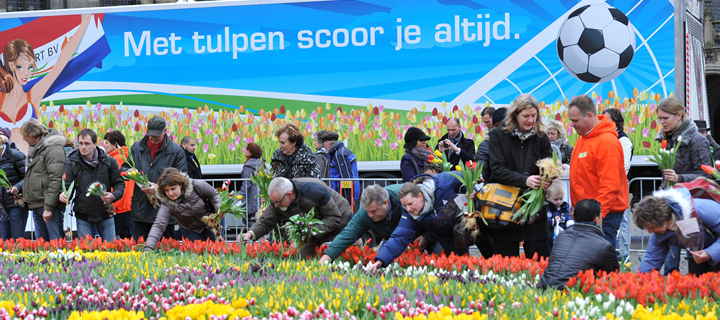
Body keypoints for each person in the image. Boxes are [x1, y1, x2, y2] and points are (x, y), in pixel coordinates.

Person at [0, 15, 91, 152]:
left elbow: (61, 62)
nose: (26, 73)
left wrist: (84, 23)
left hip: (31, 165)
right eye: (21, 67)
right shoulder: (1, 99)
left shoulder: (33, 96)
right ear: (12, 65)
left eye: (30, 67)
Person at [487, 94, 552, 258]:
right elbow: (497, 169)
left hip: (534, 208)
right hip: (505, 207)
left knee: (539, 264)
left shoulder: (541, 138)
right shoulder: (498, 136)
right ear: (515, 114)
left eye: (533, 116)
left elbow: (548, 167)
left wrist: (547, 179)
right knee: (506, 268)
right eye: (526, 116)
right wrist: (525, 180)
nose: (530, 120)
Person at [654, 97, 711, 274]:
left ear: (679, 115)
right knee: (669, 242)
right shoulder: (665, 139)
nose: (661, 122)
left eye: (665, 118)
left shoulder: (696, 140)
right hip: (669, 202)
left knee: (693, 248)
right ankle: (671, 279)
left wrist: (679, 178)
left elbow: (705, 175)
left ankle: (695, 284)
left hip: (690, 204)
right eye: (660, 118)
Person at [366, 172, 468, 271]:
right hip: (452, 237)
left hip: (477, 223)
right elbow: (399, 237)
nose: (408, 209)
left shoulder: (442, 182)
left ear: (420, 196)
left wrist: (470, 189)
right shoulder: (410, 214)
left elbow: (465, 177)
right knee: (462, 269)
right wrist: (380, 261)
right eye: (404, 206)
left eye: (410, 203)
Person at [567, 95, 629, 253]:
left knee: (599, 258)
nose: (572, 125)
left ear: (589, 116)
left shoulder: (606, 142)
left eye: (575, 121)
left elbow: (610, 185)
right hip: (590, 212)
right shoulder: (584, 137)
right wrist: (576, 206)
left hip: (602, 214)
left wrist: (596, 217)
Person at [241, 177, 352, 258]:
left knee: (352, 254)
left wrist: (309, 231)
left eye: (278, 202)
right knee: (302, 257)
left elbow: (333, 217)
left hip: (341, 220)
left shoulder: (314, 191)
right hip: (310, 229)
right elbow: (266, 221)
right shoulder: (279, 199)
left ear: (289, 194)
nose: (276, 206)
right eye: (273, 202)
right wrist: (251, 233)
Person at [126, 116, 188, 241]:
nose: (153, 138)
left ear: (165, 131)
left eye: (157, 135)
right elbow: (125, 168)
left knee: (165, 252)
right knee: (140, 250)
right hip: (141, 210)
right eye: (151, 135)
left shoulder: (176, 151)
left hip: (165, 211)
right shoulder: (137, 147)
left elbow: (183, 180)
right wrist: (129, 172)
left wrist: (158, 189)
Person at [634, 188, 720, 275]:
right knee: (698, 285)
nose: (650, 232)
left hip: (716, 250)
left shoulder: (699, 209)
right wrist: (642, 282)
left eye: (651, 228)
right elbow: (652, 257)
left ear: (663, 220)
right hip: (696, 255)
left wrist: (710, 253)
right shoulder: (661, 230)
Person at [59, 129, 124, 241]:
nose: (83, 147)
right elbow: (66, 185)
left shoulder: (109, 161)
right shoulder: (72, 162)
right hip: (83, 215)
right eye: (80, 143)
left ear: (95, 144)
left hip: (105, 213)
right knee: (86, 253)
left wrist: (113, 196)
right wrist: (62, 195)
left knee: (110, 251)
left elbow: (119, 184)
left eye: (87, 144)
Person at [540, 199, 619, 290]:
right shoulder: (604, 245)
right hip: (572, 292)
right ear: (596, 219)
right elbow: (613, 275)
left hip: (545, 290)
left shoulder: (562, 236)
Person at [319, 184, 404, 263]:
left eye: (374, 211)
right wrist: (324, 260)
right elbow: (347, 234)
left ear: (385, 203)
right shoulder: (364, 213)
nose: (370, 215)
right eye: (368, 211)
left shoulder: (405, 199)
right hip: (391, 238)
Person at [144, 167, 221, 251]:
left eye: (173, 189)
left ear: (180, 185)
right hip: (190, 229)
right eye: (167, 190)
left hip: (212, 223)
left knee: (215, 251)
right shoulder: (166, 202)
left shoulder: (197, 185)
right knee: (196, 255)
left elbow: (215, 195)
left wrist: (219, 209)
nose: (170, 193)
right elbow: (159, 225)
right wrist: (148, 248)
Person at [20, 119, 66, 241]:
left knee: (56, 246)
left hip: (48, 206)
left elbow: (55, 179)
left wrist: (48, 208)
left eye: (25, 136)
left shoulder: (53, 149)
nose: (24, 139)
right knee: (42, 246)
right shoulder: (36, 149)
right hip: (38, 204)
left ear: (34, 136)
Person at [602, 108, 633, 264]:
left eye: (607, 119)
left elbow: (624, 166)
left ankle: (624, 254)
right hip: (608, 186)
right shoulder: (606, 138)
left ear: (615, 122)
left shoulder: (623, 141)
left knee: (623, 222)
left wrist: (611, 179)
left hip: (618, 187)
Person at [104, 130, 135, 239]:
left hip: (119, 203)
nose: (104, 145)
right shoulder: (129, 156)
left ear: (115, 145)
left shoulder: (114, 159)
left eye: (107, 143)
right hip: (129, 203)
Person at [321, 131, 360, 206]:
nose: (324, 147)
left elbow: (346, 178)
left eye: (324, 144)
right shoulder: (343, 151)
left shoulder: (339, 154)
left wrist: (346, 201)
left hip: (342, 195)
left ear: (328, 143)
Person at [0, 133, 26, 240]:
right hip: (1, 207)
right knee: (3, 242)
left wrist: (18, 187)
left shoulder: (16, 155)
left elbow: (28, 177)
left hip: (15, 203)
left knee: (17, 239)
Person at [475, 108, 506, 181]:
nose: (485, 125)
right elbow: (482, 161)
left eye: (488, 122)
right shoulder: (486, 143)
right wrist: (479, 173)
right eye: (497, 126)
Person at [240, 143, 263, 226]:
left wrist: (238, 196)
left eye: (247, 149)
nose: (245, 151)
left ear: (251, 152)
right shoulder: (259, 163)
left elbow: (246, 183)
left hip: (251, 198)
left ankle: (255, 235)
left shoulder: (248, 166)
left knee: (247, 219)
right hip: (258, 196)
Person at [545, 180, 573, 249]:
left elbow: (569, 218)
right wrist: (553, 222)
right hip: (548, 241)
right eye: (556, 199)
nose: (559, 202)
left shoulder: (565, 208)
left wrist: (571, 225)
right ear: (547, 197)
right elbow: (542, 223)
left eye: (561, 199)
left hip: (562, 242)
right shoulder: (545, 208)